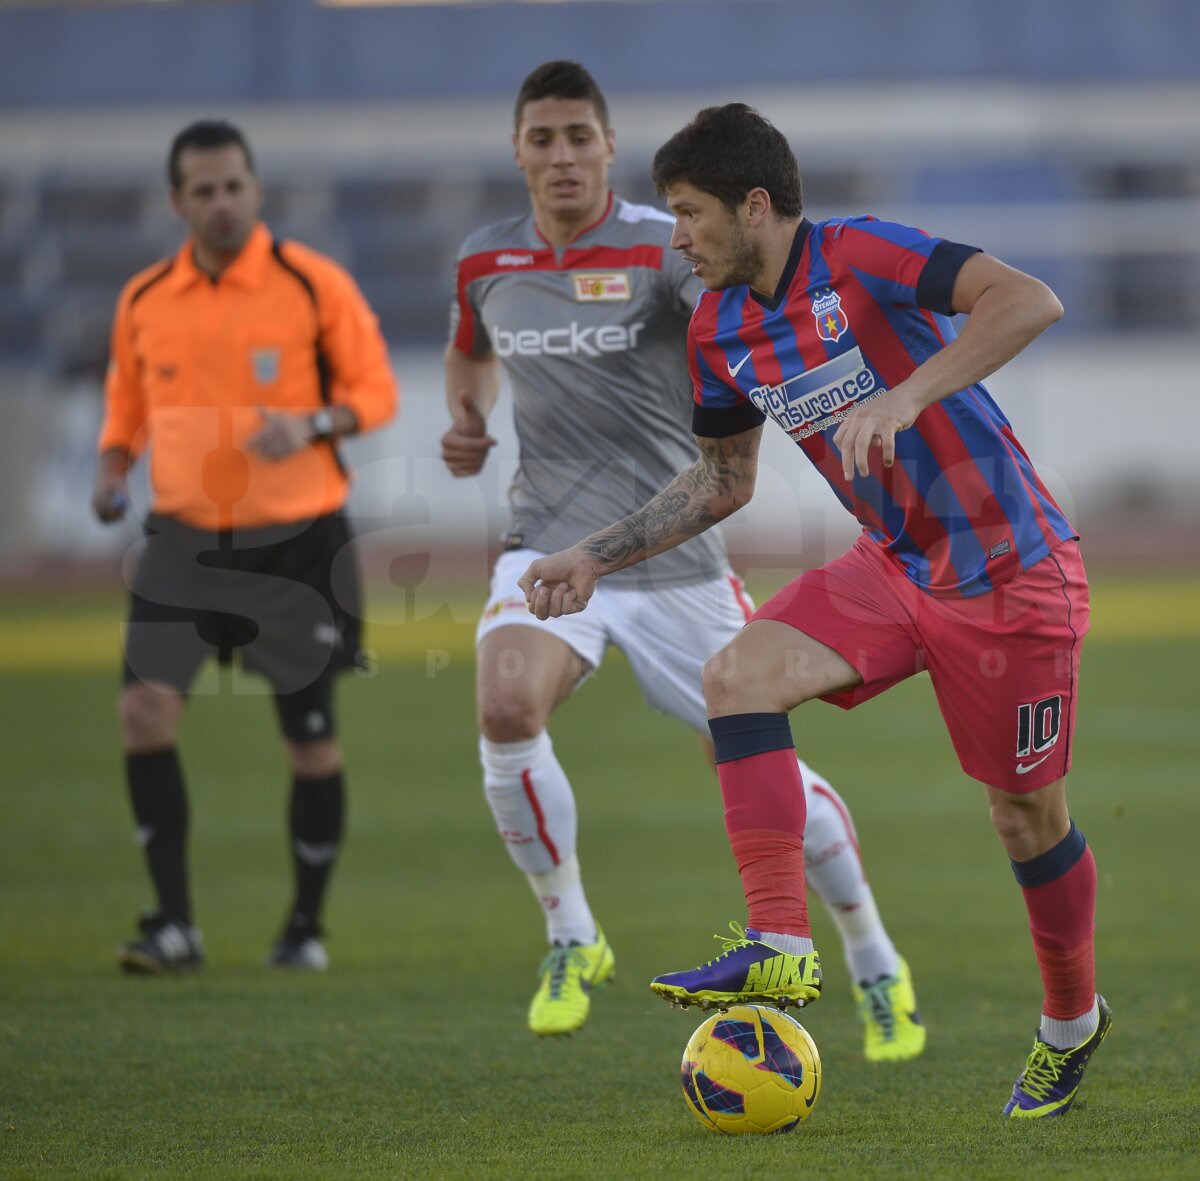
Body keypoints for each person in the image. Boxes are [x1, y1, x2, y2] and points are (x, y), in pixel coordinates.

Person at [520, 102, 1109, 1116]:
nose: (681, 236)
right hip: (897, 566)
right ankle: (783, 945)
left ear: (757, 205)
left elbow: (1028, 300)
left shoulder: (861, 253)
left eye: (692, 212)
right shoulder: (718, 323)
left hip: (1013, 572)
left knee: (1024, 816)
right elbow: (720, 482)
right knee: (735, 675)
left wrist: (907, 395)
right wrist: (593, 555)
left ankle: (1070, 1019)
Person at [443, 62, 923, 1059]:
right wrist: (464, 415)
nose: (563, 154)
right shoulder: (484, 261)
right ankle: (572, 934)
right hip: (545, 542)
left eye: (581, 135)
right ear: (519, 150)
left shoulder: (672, 248)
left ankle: (874, 955)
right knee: (502, 703)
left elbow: (752, 316)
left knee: (750, 757)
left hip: (677, 563)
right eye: (543, 137)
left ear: (609, 146)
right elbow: (470, 345)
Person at [91, 119, 398, 974]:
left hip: (298, 544)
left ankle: (304, 928)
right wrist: (112, 468)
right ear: (177, 201)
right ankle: (173, 924)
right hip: (182, 542)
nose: (222, 203)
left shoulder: (311, 284)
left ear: (255, 190)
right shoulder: (146, 298)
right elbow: (125, 406)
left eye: (234, 186)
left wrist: (312, 421)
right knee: (142, 714)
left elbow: (374, 392)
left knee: (310, 742)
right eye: (204, 191)